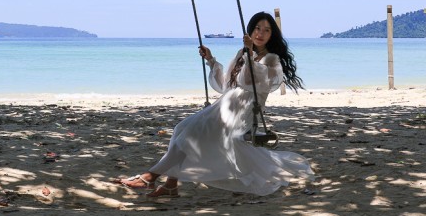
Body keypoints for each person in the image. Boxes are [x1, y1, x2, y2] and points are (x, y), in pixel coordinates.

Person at [113, 11, 315, 197]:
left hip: (242, 110)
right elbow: (227, 83)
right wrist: (210, 59)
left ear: (273, 35)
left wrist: (250, 52)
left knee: (189, 135)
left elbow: (254, 81)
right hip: (226, 104)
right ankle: (170, 184)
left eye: (266, 30)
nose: (260, 33)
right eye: (257, 28)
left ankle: (150, 177)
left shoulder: (272, 59)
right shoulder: (242, 52)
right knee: (181, 130)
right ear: (250, 30)